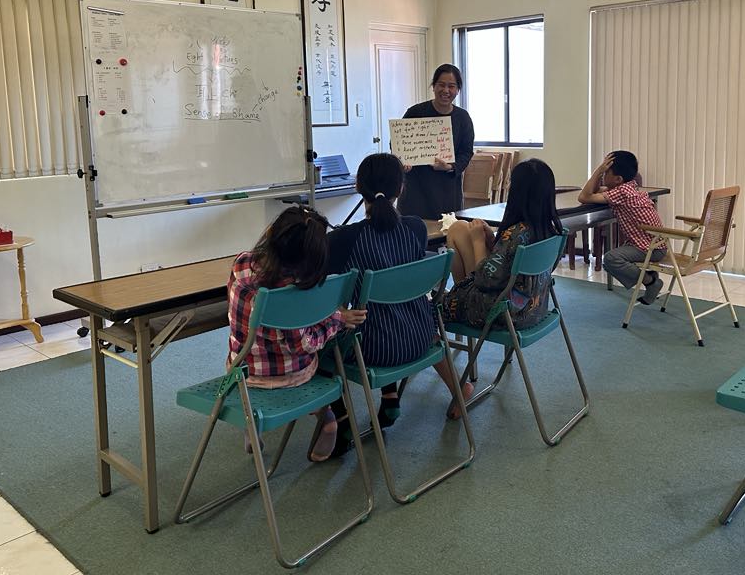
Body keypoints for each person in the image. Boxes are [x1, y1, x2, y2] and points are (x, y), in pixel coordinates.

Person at [323, 152, 469, 452]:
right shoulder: (415, 228)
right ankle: (392, 397)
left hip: (374, 350)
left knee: (319, 338)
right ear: (401, 189)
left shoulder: (342, 239)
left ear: (357, 188)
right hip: (423, 338)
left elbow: (317, 290)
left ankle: (340, 417)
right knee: (390, 309)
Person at [226, 206, 365, 460]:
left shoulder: (241, 263)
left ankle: (249, 422)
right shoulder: (294, 294)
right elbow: (305, 344)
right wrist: (337, 319)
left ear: (270, 233)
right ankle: (328, 418)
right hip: (292, 376)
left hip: (244, 375)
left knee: (242, 343)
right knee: (322, 352)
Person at [441, 158, 562, 332]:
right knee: (459, 228)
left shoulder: (514, 235)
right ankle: (461, 294)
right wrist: (493, 240)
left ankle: (459, 299)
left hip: (501, 314)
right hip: (535, 308)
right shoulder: (550, 230)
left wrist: (478, 241)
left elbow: (485, 280)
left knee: (436, 304)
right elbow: (507, 264)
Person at [578, 150, 666, 304]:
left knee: (611, 259)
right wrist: (601, 173)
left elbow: (584, 196)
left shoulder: (621, 193)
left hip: (650, 248)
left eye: (606, 173)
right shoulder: (629, 188)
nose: (604, 175)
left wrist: (597, 171)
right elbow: (592, 191)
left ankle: (650, 281)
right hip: (655, 244)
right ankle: (649, 277)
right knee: (614, 258)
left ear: (618, 179)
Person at [397, 64, 475, 220]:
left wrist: (451, 167)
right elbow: (398, 141)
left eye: (451, 86)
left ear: (458, 90)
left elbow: (466, 152)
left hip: (447, 192)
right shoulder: (415, 112)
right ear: (433, 86)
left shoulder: (463, 118)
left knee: (446, 237)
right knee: (412, 237)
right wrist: (402, 160)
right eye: (441, 85)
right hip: (415, 191)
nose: (446, 90)